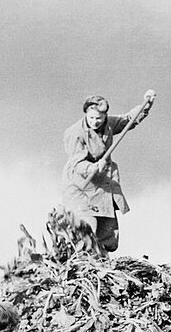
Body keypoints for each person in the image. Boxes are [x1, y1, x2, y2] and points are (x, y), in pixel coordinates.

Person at [61, 93, 154, 253]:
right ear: (86, 114)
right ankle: (81, 262)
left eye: (99, 118)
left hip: (102, 186)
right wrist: (94, 167)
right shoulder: (75, 133)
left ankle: (102, 263)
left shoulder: (109, 124)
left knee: (106, 232)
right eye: (91, 118)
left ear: (104, 116)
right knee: (86, 228)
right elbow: (77, 163)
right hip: (81, 186)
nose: (95, 122)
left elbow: (129, 120)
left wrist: (147, 104)